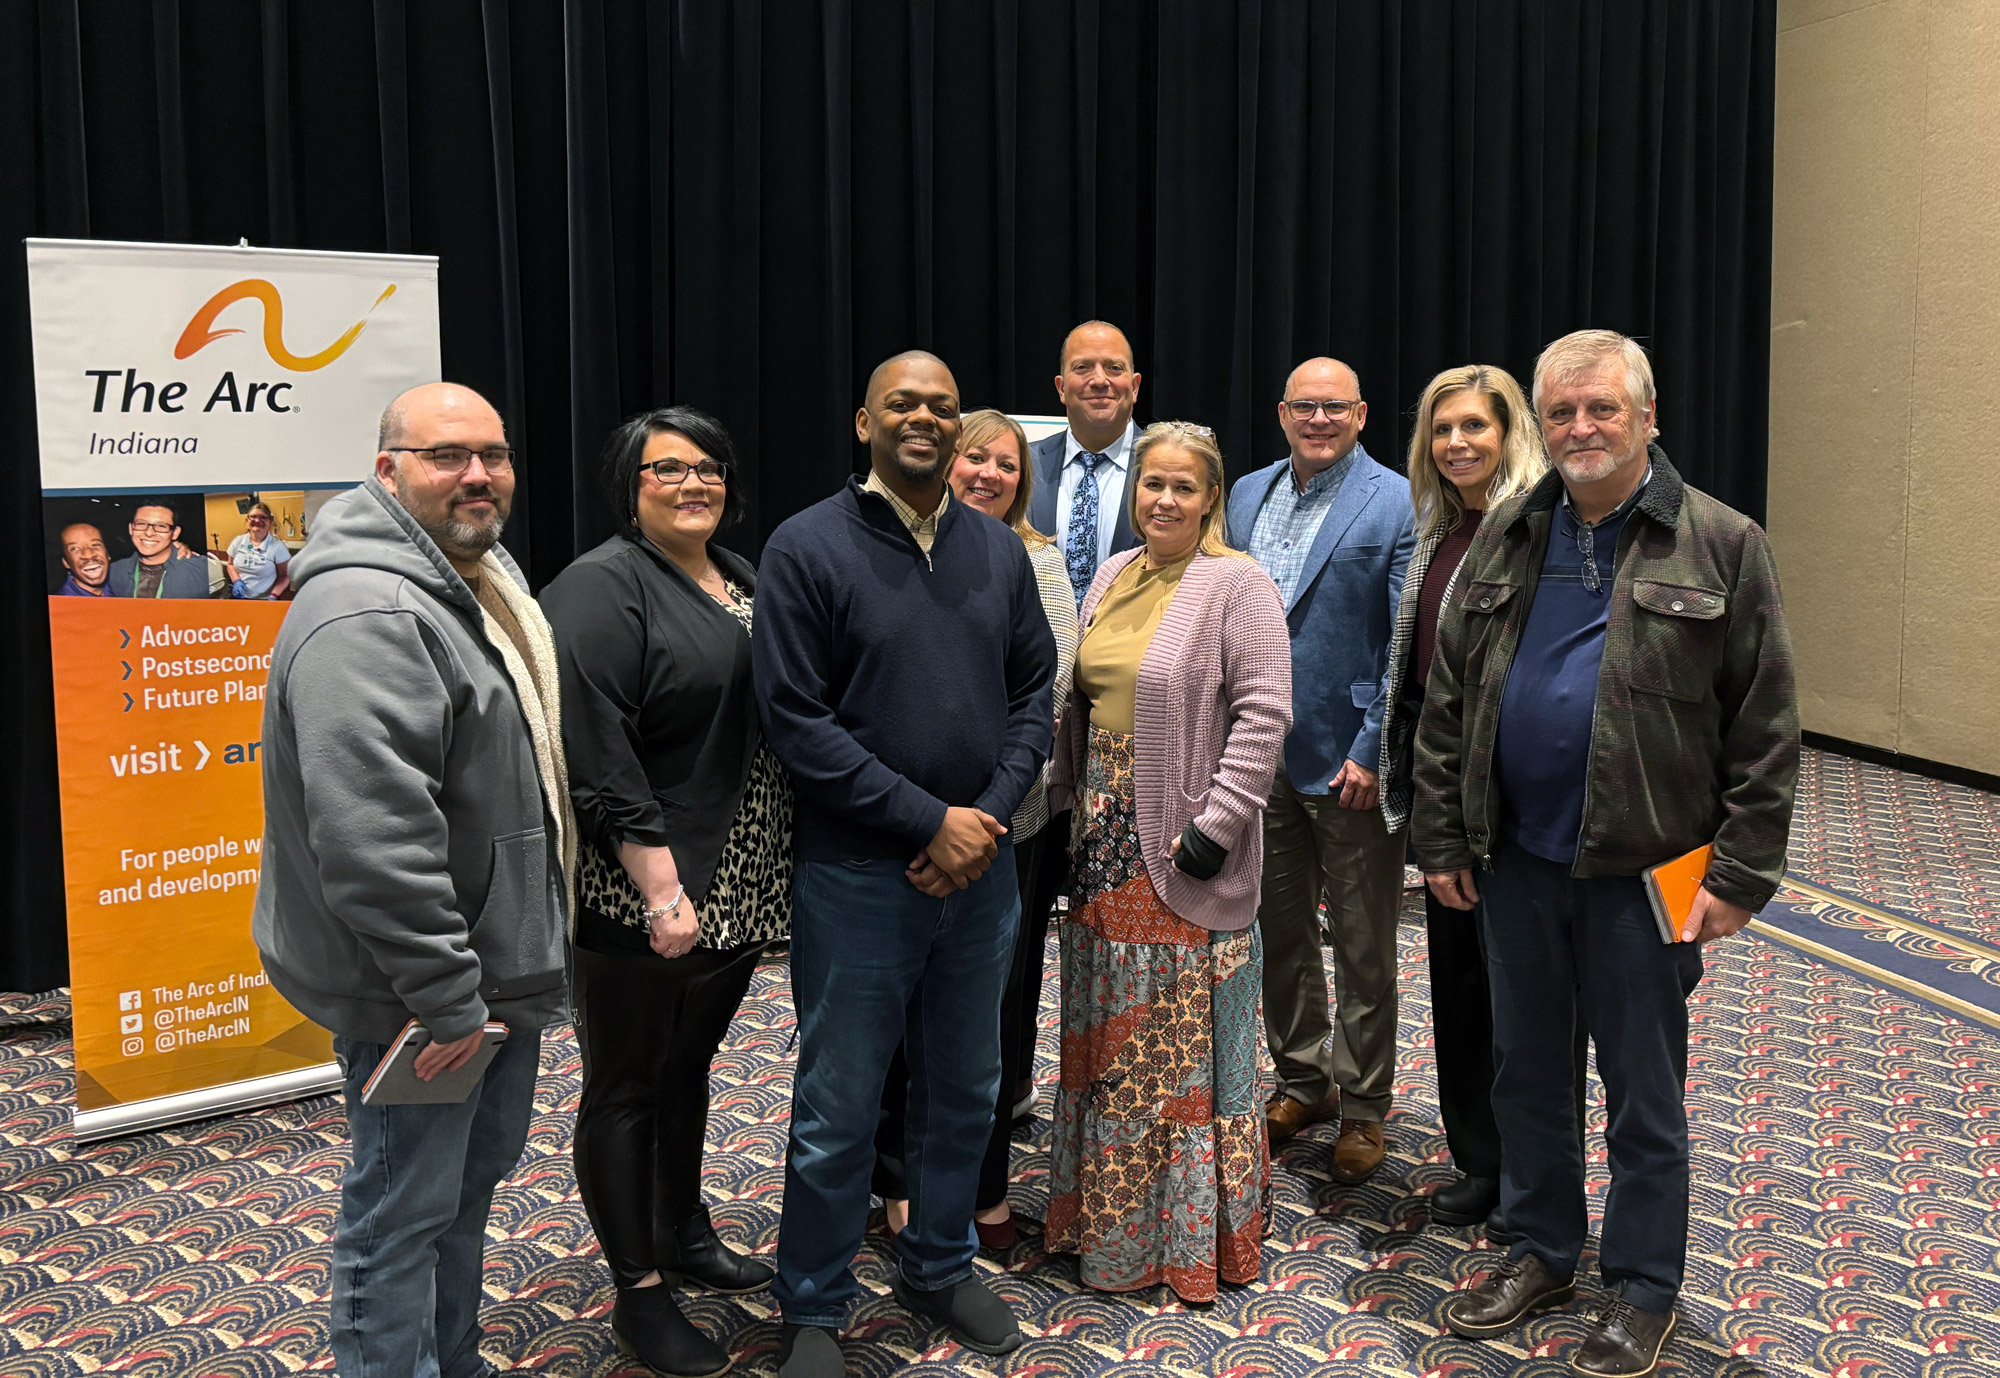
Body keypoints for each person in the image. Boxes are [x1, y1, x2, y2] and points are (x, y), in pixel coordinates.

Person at [1416, 331, 1798, 1378]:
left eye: (1600, 409)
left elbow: (1764, 727)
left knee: (1641, 1091)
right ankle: (1538, 1246)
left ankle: (1640, 1286)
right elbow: (1447, 701)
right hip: (1514, 866)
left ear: (1646, 415)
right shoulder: (1505, 532)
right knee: (1525, 1074)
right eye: (1562, 413)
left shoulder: (1719, 542)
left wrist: (1737, 875)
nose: (1579, 429)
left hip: (1644, 872)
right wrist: (1440, 833)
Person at [253, 382, 575, 1378]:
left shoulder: (472, 572)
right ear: (387, 470)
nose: (477, 474)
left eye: (493, 452)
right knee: (398, 1217)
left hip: (487, 978)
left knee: (459, 1193)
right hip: (424, 995)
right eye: (446, 455)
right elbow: (374, 846)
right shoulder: (369, 609)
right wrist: (446, 1005)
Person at [754, 353, 1056, 1377]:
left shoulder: (994, 551)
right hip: (856, 876)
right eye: (901, 404)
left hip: (982, 874)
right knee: (838, 1104)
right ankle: (812, 1303)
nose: (922, 418)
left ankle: (936, 1259)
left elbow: (1032, 692)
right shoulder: (806, 547)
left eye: (939, 404)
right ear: (863, 421)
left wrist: (986, 816)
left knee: (967, 1087)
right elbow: (797, 721)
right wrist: (929, 820)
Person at [542, 407, 792, 1377]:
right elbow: (593, 746)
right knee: (625, 1085)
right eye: (668, 470)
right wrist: (656, 886)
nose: (694, 483)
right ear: (629, 485)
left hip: (739, 878)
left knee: (687, 1067)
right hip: (646, 888)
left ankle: (682, 1229)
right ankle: (638, 1294)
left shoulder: (740, 576)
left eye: (709, 467)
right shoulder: (601, 586)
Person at [1045, 421, 1292, 1302]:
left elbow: (1264, 716)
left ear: (1211, 496)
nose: (1164, 500)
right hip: (1101, 839)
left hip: (1184, 845)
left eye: (1184, 487)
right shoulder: (1112, 573)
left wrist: (1217, 826)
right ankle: (1105, 1226)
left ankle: (1180, 1242)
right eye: (1153, 483)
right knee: (1110, 1030)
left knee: (1171, 1046)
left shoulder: (1238, 584)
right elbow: (1081, 702)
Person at [873, 408, 1081, 1251]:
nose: (988, 473)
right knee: (895, 1017)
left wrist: (983, 819)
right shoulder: (890, 548)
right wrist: (930, 820)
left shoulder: (1039, 561)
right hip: (899, 825)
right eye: (973, 458)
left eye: (1005, 462)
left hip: (1011, 831)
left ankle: (985, 1189)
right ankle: (894, 1178)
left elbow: (1049, 690)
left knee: (997, 1015)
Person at [1223, 358, 1415, 1181]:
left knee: (1366, 946)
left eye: (1336, 406)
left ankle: (1365, 1105)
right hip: (1256, 757)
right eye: (1306, 405)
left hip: (1348, 762)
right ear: (1282, 411)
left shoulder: (1399, 499)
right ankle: (1305, 1079)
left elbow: (1403, 640)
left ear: (1363, 414)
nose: (1320, 418)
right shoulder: (1244, 494)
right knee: (1281, 934)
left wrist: (1372, 749)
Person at [1377, 365, 1550, 1240]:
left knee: (1522, 1001)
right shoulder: (1442, 526)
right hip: (1442, 800)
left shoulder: (1538, 531)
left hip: (1507, 811)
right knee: (1461, 990)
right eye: (1442, 430)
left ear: (1509, 431)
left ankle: (1528, 1175)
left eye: (1475, 427)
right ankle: (1480, 1159)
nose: (1456, 444)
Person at [1028, 321, 1144, 606]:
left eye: (1114, 368)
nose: (1100, 380)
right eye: (1082, 368)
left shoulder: (1169, 467)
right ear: (1062, 387)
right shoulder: (1023, 464)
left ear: (1135, 385)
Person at [108, 501, 220, 598]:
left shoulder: (202, 570)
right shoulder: (113, 572)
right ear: (131, 528)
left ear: (175, 533)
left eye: (161, 526)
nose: (149, 533)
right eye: (141, 524)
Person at [227, 501, 292, 599]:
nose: (257, 521)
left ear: (270, 521)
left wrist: (273, 595)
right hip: (240, 597)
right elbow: (230, 564)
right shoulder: (238, 541)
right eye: (253, 517)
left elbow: (285, 576)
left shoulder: (277, 547)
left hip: (265, 600)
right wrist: (236, 581)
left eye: (263, 517)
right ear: (247, 520)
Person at [56, 522, 110, 595]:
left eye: (95, 545)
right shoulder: (62, 603)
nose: (89, 555)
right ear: (66, 562)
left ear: (108, 554)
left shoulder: (121, 587)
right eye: (75, 549)